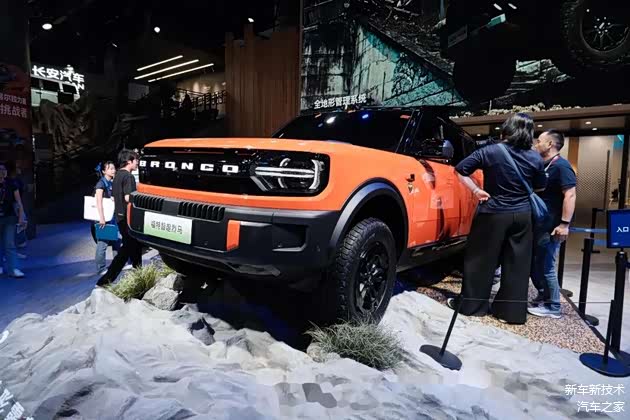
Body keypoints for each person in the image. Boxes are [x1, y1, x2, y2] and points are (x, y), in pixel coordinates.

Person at [448, 113, 547, 324]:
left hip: (493, 212)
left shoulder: (491, 151)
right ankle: (510, 313)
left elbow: (461, 169)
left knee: (480, 260)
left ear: (507, 129)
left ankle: (473, 306)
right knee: (518, 264)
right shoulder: (535, 157)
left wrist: (476, 190)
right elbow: (540, 186)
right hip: (522, 214)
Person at [528, 130, 577, 319]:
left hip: (552, 226)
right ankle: (544, 296)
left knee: (547, 265)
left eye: (539, 141)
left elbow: (570, 195)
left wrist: (564, 224)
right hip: (541, 225)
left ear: (550, 144)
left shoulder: (562, 166)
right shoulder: (544, 165)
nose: (536, 144)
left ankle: (554, 306)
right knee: (536, 263)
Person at [96, 149, 141, 286]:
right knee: (127, 249)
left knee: (132, 247)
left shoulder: (117, 177)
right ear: (129, 161)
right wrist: (140, 197)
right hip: (128, 217)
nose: (137, 162)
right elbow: (128, 197)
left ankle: (138, 274)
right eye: (136, 160)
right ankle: (106, 280)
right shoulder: (128, 177)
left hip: (120, 217)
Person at [91, 161, 120, 275]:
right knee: (102, 243)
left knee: (116, 240)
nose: (113, 170)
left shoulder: (110, 182)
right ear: (104, 171)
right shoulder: (101, 184)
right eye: (110, 169)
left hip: (110, 216)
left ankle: (117, 263)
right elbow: (98, 202)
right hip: (103, 217)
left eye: (114, 168)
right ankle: (101, 268)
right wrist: (101, 218)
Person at [0, 161, 26, 278]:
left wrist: (21, 216)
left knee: (9, 243)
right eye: (0, 170)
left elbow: (18, 201)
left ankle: (14, 268)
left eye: (4, 170)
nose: (2, 172)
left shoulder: (11, 184)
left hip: (9, 216)